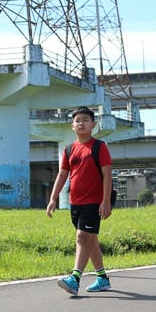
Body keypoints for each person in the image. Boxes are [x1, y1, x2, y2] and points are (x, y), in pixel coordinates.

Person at [46, 106, 113, 295]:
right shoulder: (69, 149)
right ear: (72, 126)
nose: (81, 123)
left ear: (93, 125)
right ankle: (102, 278)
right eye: (77, 120)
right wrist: (53, 198)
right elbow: (62, 175)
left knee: (82, 237)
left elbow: (107, 175)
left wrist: (106, 201)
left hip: (94, 201)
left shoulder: (99, 147)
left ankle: (74, 279)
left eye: (85, 120)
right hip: (75, 202)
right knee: (90, 240)